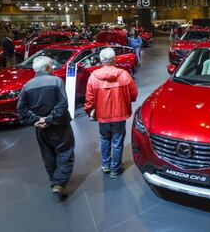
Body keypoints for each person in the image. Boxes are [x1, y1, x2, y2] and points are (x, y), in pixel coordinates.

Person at [17, 56, 75, 200]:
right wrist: (49, 119)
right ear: (47, 68)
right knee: (65, 152)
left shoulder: (27, 86)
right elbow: (63, 103)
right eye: (51, 66)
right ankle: (59, 183)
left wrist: (36, 120)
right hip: (59, 126)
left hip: (40, 129)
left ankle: (53, 180)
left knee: (47, 154)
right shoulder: (56, 81)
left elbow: (21, 110)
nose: (53, 68)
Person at [84, 48, 138, 178]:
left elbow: (89, 99)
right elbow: (134, 94)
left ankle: (106, 165)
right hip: (120, 114)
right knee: (118, 142)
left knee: (104, 139)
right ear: (115, 59)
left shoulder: (93, 77)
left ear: (101, 60)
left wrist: (89, 111)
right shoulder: (124, 74)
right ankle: (115, 168)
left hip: (102, 115)